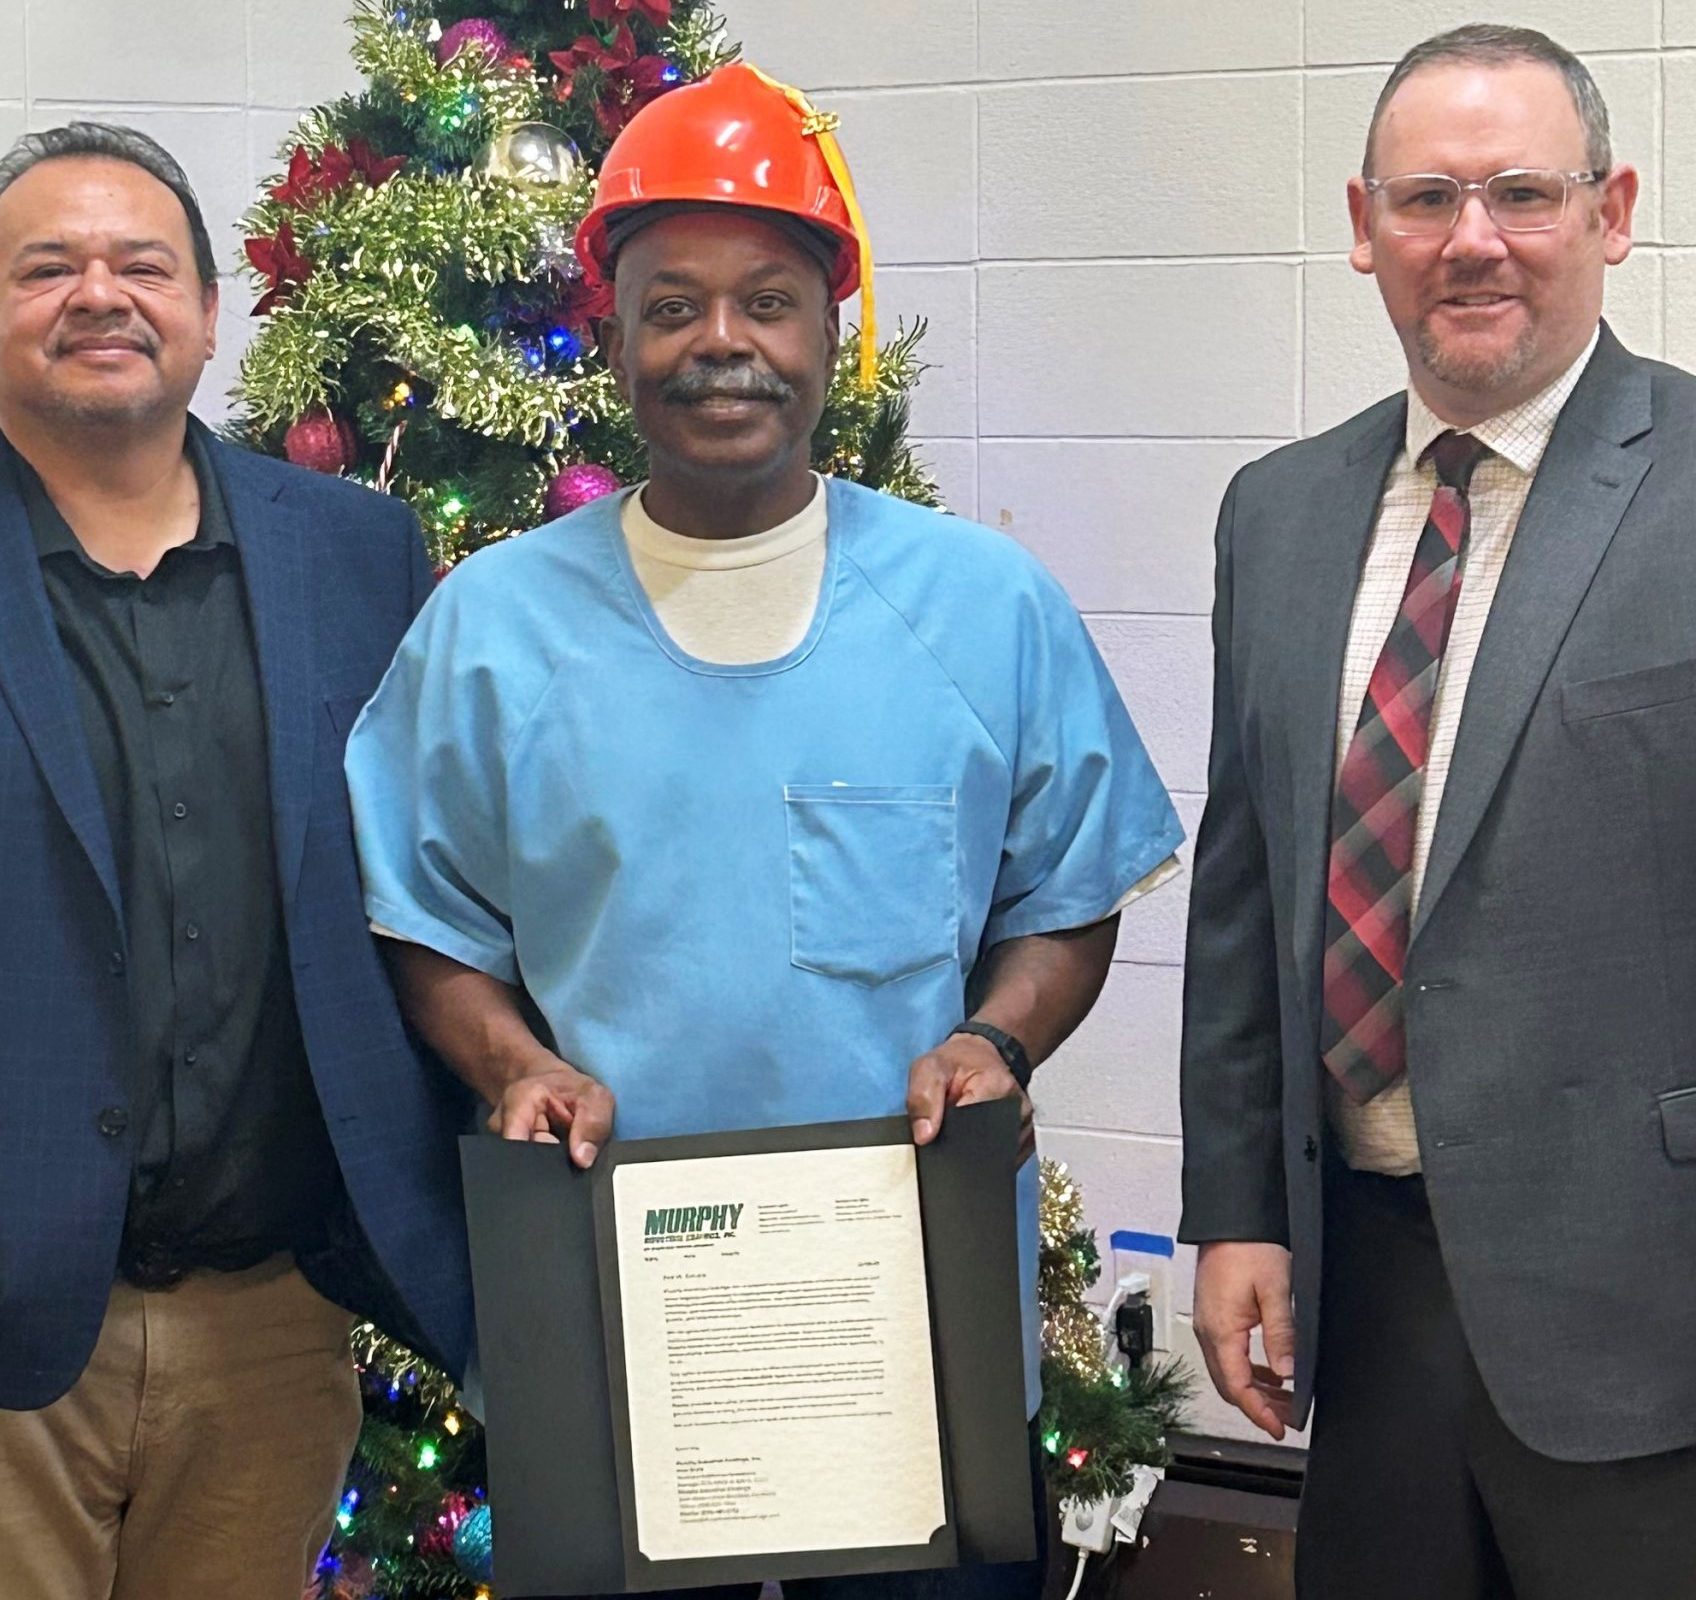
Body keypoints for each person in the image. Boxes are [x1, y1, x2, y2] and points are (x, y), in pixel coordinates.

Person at [343, 63, 1182, 1600]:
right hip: (613, 1330)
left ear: (828, 335)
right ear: (613, 333)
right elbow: (430, 924)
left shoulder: (981, 608)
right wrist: (514, 1065)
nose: (721, 345)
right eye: (673, 306)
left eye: (768, 303)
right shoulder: (492, 630)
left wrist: (995, 1041)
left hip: (902, 1336)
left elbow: (1066, 893)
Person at [0, 122, 473, 1600]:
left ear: (207, 310)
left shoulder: (358, 555)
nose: (99, 295)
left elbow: (435, 876)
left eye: (143, 265)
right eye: (46, 267)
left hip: (275, 1314)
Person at [1179, 24, 1696, 1599]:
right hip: (1369, 1285)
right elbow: (1246, 894)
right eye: (1427, 199)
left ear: (1610, 212)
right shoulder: (1276, 515)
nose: (1472, 241)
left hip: (1650, 1309)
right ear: (1363, 226)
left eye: (1522, 193)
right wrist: (1237, 1212)